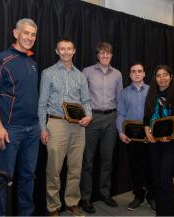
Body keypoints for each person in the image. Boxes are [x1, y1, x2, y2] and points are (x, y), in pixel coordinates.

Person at [0, 18, 39, 216]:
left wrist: (38, 126)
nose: (30, 38)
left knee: (28, 177)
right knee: (1, 180)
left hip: (32, 130)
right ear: (16, 33)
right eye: (26, 33)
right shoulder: (2, 59)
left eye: (33, 34)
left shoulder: (32, 63)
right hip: (9, 130)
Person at [38, 38, 92, 216]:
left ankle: (72, 202)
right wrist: (43, 128)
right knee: (54, 168)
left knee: (75, 167)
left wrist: (89, 115)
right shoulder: (48, 73)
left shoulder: (81, 75)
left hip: (78, 126)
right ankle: (53, 206)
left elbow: (86, 101)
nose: (66, 52)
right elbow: (42, 104)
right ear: (57, 51)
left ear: (74, 51)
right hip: (56, 123)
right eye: (62, 49)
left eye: (69, 49)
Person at [80, 42, 123, 214]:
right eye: (102, 53)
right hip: (92, 118)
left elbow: (120, 98)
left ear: (112, 56)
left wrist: (119, 121)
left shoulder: (118, 74)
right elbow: (82, 96)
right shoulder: (87, 72)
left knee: (107, 159)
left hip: (111, 118)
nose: (105, 56)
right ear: (97, 55)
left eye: (108, 53)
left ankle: (105, 193)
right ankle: (86, 197)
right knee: (88, 161)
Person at [143, 65, 174, 216]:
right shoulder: (151, 94)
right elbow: (146, 117)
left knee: (165, 178)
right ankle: (160, 213)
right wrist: (146, 130)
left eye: (165, 75)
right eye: (158, 75)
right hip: (154, 143)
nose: (162, 78)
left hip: (171, 143)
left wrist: (170, 134)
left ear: (171, 76)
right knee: (157, 177)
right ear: (155, 78)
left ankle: (169, 213)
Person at [116, 62, 156, 211]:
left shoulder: (153, 91)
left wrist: (154, 132)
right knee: (135, 167)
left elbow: (157, 113)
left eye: (140, 71)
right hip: (132, 137)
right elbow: (121, 114)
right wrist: (120, 132)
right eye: (133, 71)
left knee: (150, 167)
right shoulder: (124, 93)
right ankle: (139, 196)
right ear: (130, 75)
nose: (137, 74)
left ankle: (152, 196)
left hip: (150, 136)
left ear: (144, 74)